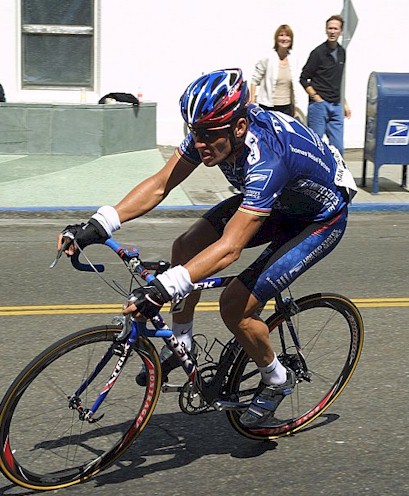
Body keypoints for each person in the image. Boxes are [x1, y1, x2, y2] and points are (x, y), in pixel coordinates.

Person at [58, 68, 357, 428]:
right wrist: (98, 224)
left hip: (318, 220)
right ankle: (182, 342)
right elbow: (159, 184)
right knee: (185, 246)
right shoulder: (213, 130)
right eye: (194, 134)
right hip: (278, 203)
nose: (199, 144)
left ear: (239, 127)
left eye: (208, 136)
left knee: (236, 306)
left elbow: (230, 248)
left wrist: (164, 288)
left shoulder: (267, 158)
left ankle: (276, 378)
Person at [299, 14, 351, 155]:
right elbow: (303, 78)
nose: (332, 31)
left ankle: (336, 176)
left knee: (338, 148)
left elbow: (339, 80)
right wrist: (316, 98)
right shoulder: (318, 53)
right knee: (316, 147)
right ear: (326, 30)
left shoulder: (342, 52)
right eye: (330, 28)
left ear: (341, 31)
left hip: (336, 106)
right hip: (319, 106)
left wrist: (344, 102)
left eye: (335, 29)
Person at [250, 24, 296, 116]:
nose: (284, 38)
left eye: (287, 35)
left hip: (286, 108)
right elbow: (254, 81)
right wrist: (252, 102)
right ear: (276, 38)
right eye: (281, 35)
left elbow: (293, 87)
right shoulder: (268, 58)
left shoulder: (294, 60)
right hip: (267, 107)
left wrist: (294, 107)